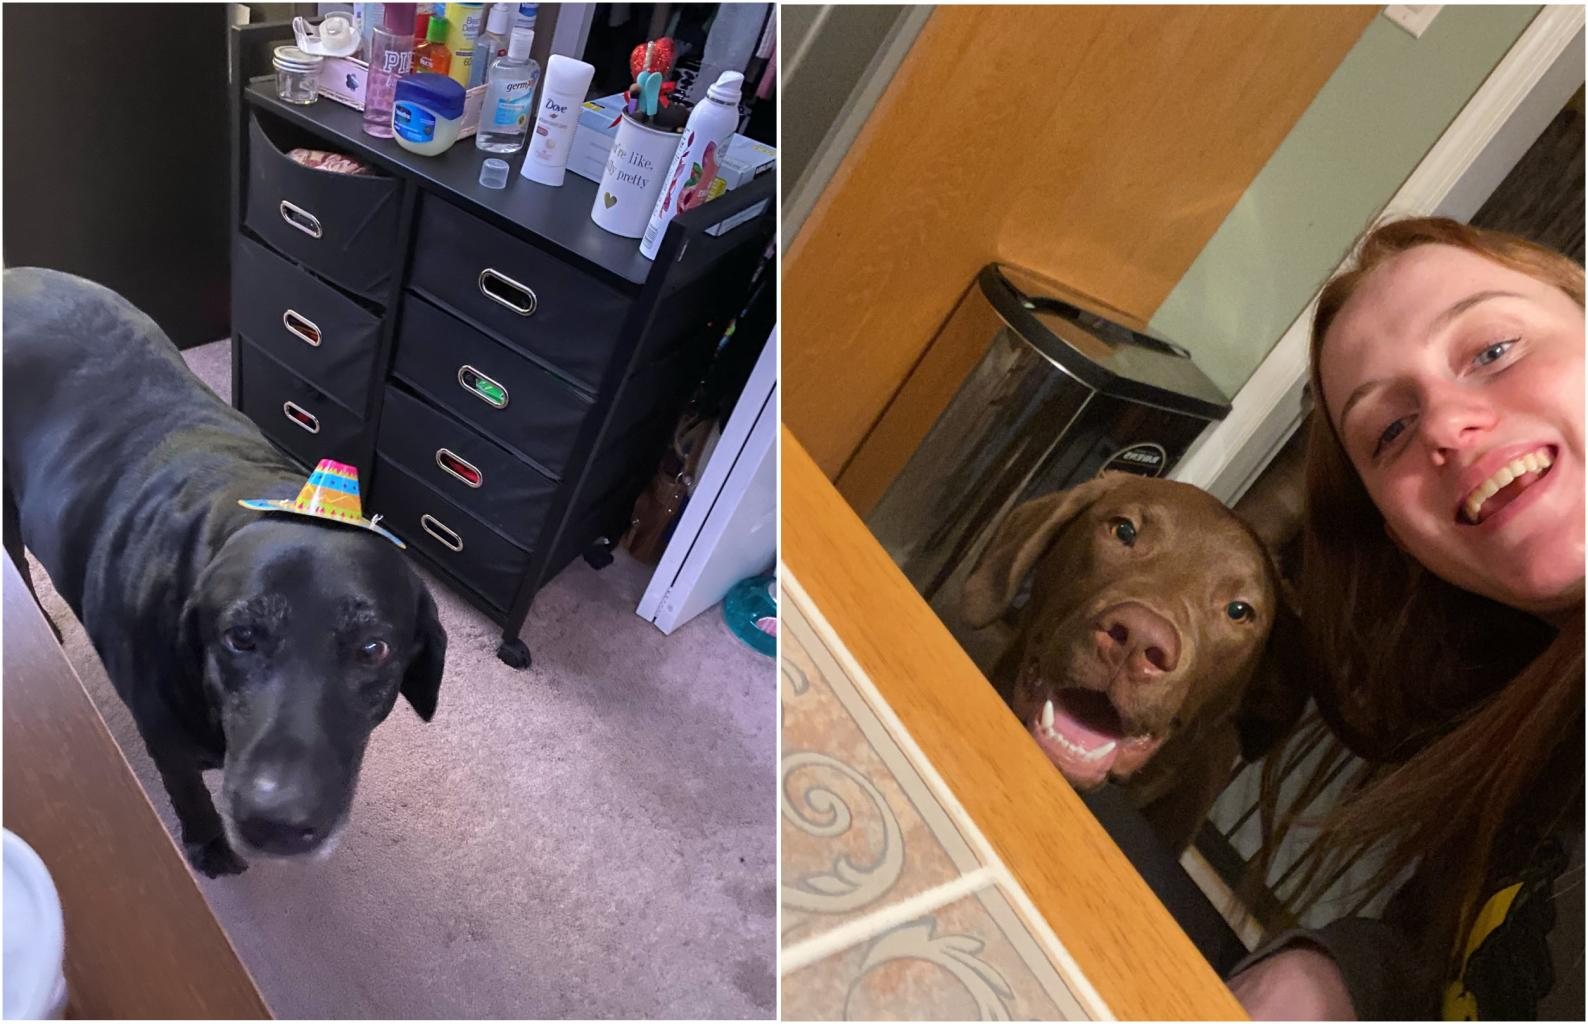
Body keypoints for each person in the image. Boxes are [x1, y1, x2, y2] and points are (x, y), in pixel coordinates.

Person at [1224, 217, 1584, 1020]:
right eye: (1389, 430)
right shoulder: (1534, 752)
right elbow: (1459, 959)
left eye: (1493, 351)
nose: (1447, 428)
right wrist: (1335, 977)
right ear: (1407, 542)